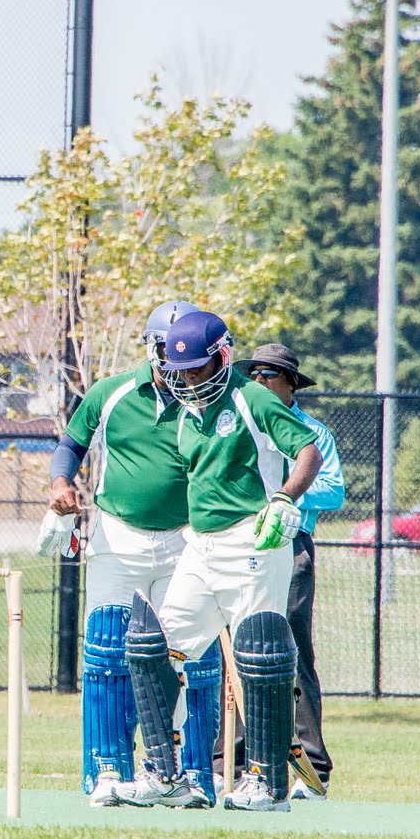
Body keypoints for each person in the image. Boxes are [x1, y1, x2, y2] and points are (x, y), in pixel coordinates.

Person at [118, 310, 322, 813]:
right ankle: (165, 774)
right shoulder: (187, 413)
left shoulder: (252, 398)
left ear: (223, 357)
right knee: (154, 649)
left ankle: (267, 784)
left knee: (259, 657)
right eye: (179, 371)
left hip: (252, 540)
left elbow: (308, 451)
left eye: (197, 369)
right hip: (200, 545)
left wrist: (285, 498)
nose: (188, 380)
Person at [43, 300, 223, 806]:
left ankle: (187, 775)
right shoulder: (112, 392)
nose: (180, 365)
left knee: (192, 657)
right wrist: (60, 483)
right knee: (107, 651)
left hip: (188, 540)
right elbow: (71, 445)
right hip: (119, 537)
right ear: (153, 349)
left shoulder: (214, 401)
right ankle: (108, 771)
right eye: (170, 352)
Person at [232, 342, 345, 796]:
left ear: (291, 384)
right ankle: (237, 761)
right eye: (253, 373)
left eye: (269, 373)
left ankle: (311, 766)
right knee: (239, 650)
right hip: (239, 544)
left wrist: (282, 493)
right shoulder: (238, 423)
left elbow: (333, 490)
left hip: (291, 544)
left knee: (294, 652)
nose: (258, 380)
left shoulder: (313, 432)